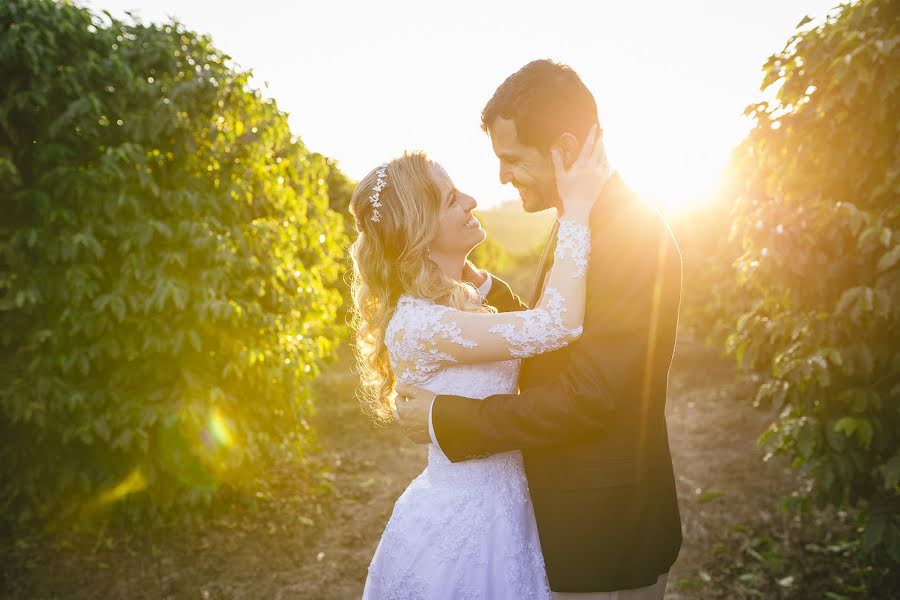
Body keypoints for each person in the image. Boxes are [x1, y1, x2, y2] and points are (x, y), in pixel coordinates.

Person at [395, 60, 683, 599]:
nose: (501, 177)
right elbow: (560, 336)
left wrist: (445, 416)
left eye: (511, 159)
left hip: (606, 529)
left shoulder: (629, 235)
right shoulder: (586, 217)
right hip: (578, 514)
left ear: (565, 149)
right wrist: (474, 286)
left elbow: (589, 393)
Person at [350, 125, 609, 599]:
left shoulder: (456, 307)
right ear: (421, 230)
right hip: (463, 528)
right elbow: (556, 325)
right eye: (451, 199)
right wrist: (578, 212)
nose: (470, 199)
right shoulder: (419, 324)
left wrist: (479, 284)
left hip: (512, 512)